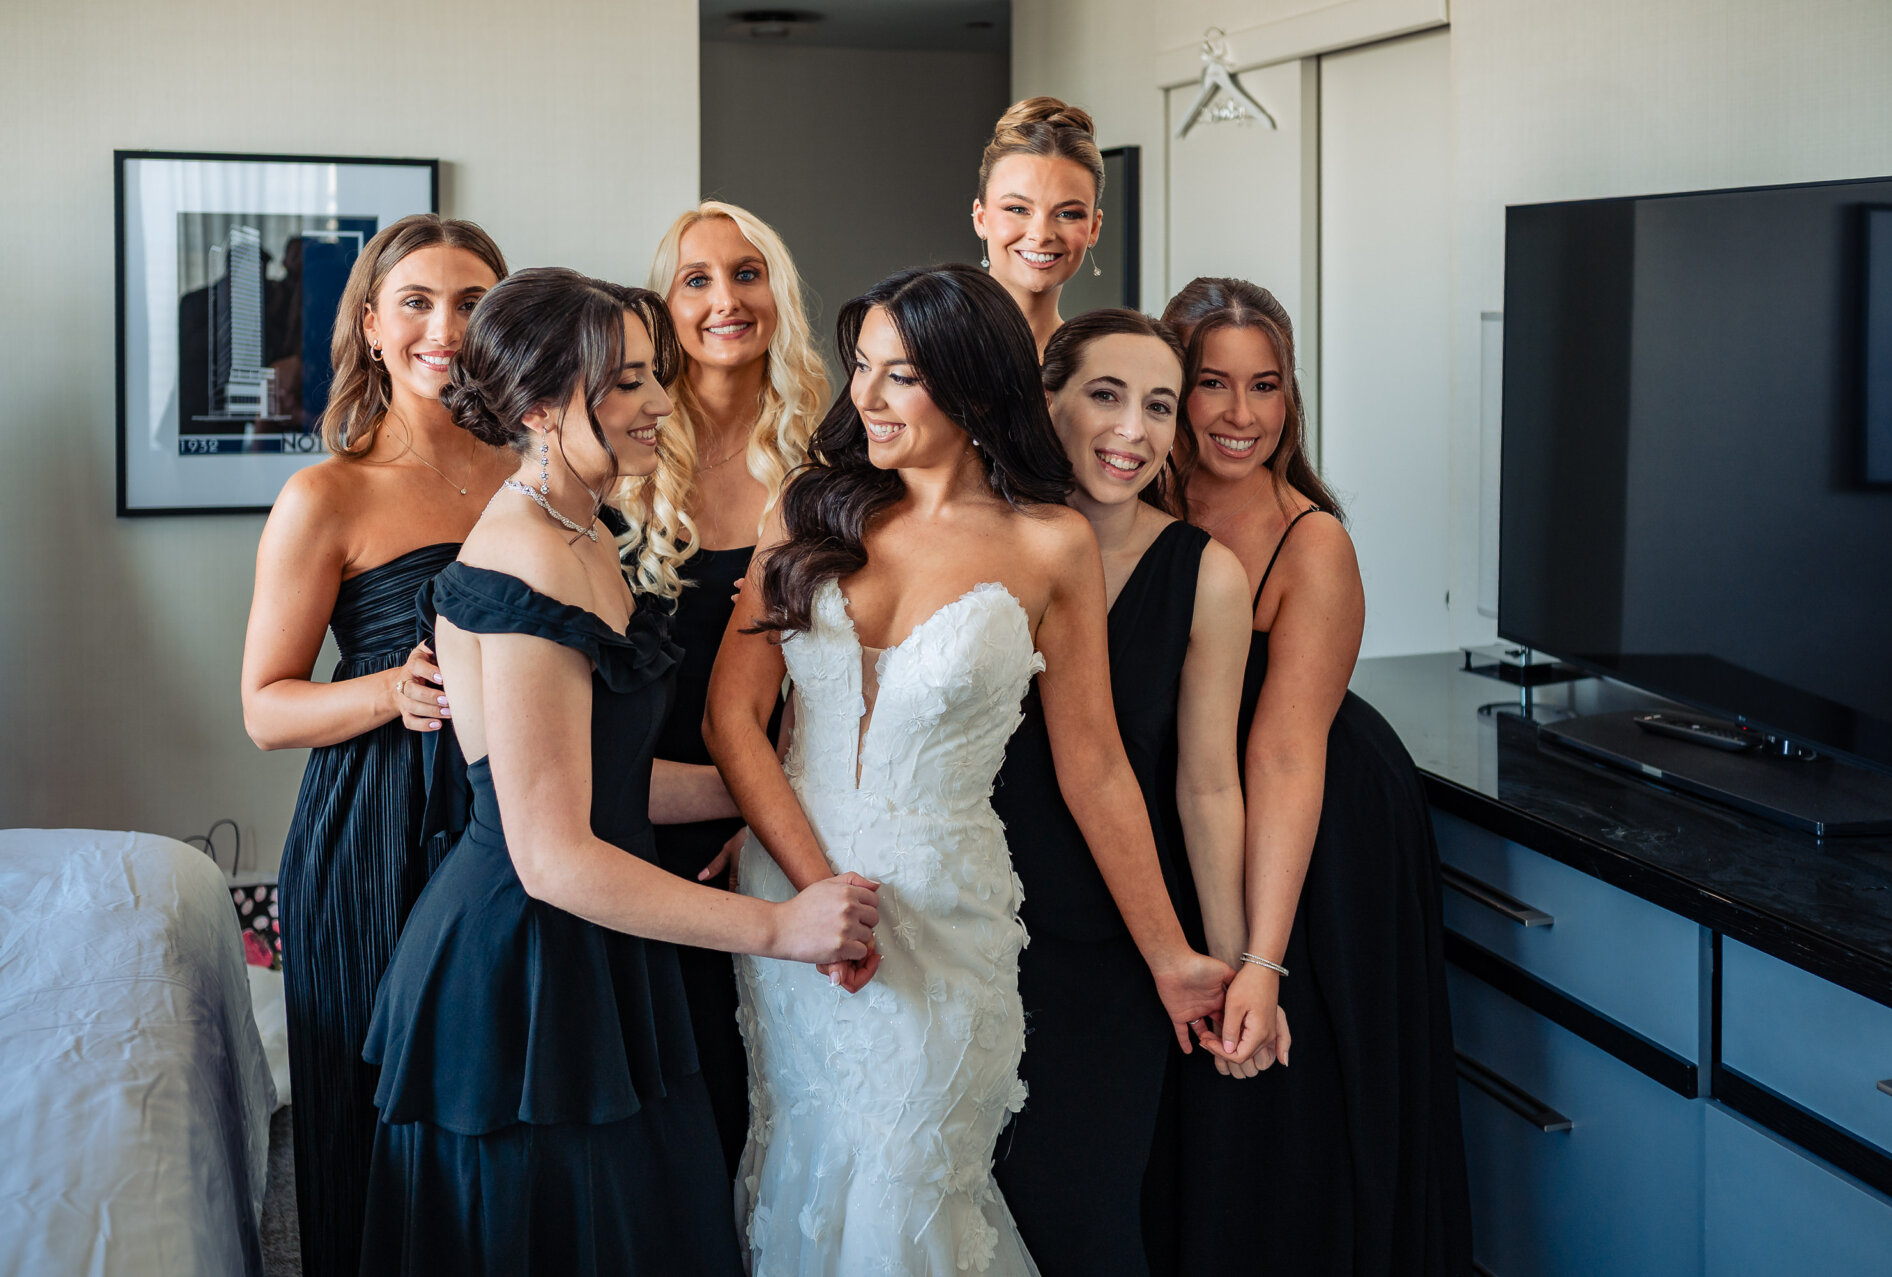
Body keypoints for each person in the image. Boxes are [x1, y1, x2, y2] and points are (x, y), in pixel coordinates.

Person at [705, 266, 1238, 1276]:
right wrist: (816, 896)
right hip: (793, 900)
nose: (865, 397)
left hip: (944, 913)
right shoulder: (807, 509)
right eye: (863, 368)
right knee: (812, 1165)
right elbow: (732, 718)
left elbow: (1096, 765)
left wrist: (1172, 955)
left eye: (899, 375)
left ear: (974, 385)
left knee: (912, 1182)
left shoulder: (1050, 543)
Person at [358, 268, 881, 1275]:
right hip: (525, 966)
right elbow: (553, 852)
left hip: (597, 943)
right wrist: (779, 927)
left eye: (652, 376)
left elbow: (604, 779)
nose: (657, 404)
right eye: (626, 383)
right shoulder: (524, 559)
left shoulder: (583, 529)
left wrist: (769, 791)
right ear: (540, 409)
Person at [1157, 276, 1472, 1276]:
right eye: (1213, 383)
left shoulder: (1311, 540)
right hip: (1192, 813)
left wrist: (1264, 955)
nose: (1241, 414)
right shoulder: (1132, 498)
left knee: (1287, 1101)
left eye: (1266, 385)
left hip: (1313, 830)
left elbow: (1285, 753)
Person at [239, 213, 511, 1277]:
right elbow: (265, 707)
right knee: (374, 1116)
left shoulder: (536, 469)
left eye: (473, 302)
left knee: (497, 1110)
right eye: (417, 302)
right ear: (370, 323)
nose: (446, 328)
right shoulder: (328, 494)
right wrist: (391, 689)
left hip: (512, 826)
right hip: (371, 838)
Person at [990, 309, 1266, 1276]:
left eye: (1158, 406)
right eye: (1106, 395)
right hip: (963, 930)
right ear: (1047, 401)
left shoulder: (1206, 575)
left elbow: (1208, 784)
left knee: (1085, 1225)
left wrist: (1238, 965)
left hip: (1114, 949)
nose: (1133, 430)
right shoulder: (979, 540)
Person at [612, 201, 830, 1174]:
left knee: (758, 1086)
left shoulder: (830, 465)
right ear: (663, 306)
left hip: (770, 816)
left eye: (747, 273)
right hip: (629, 808)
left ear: (778, 295)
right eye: (695, 280)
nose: (724, 300)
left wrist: (766, 810)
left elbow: (841, 667)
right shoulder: (619, 454)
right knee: (658, 1094)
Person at [972, 96, 1104, 357]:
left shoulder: (1100, 367)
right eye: (1018, 209)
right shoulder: (920, 350)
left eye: (1067, 214)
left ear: (1093, 229)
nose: (1041, 235)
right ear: (981, 219)